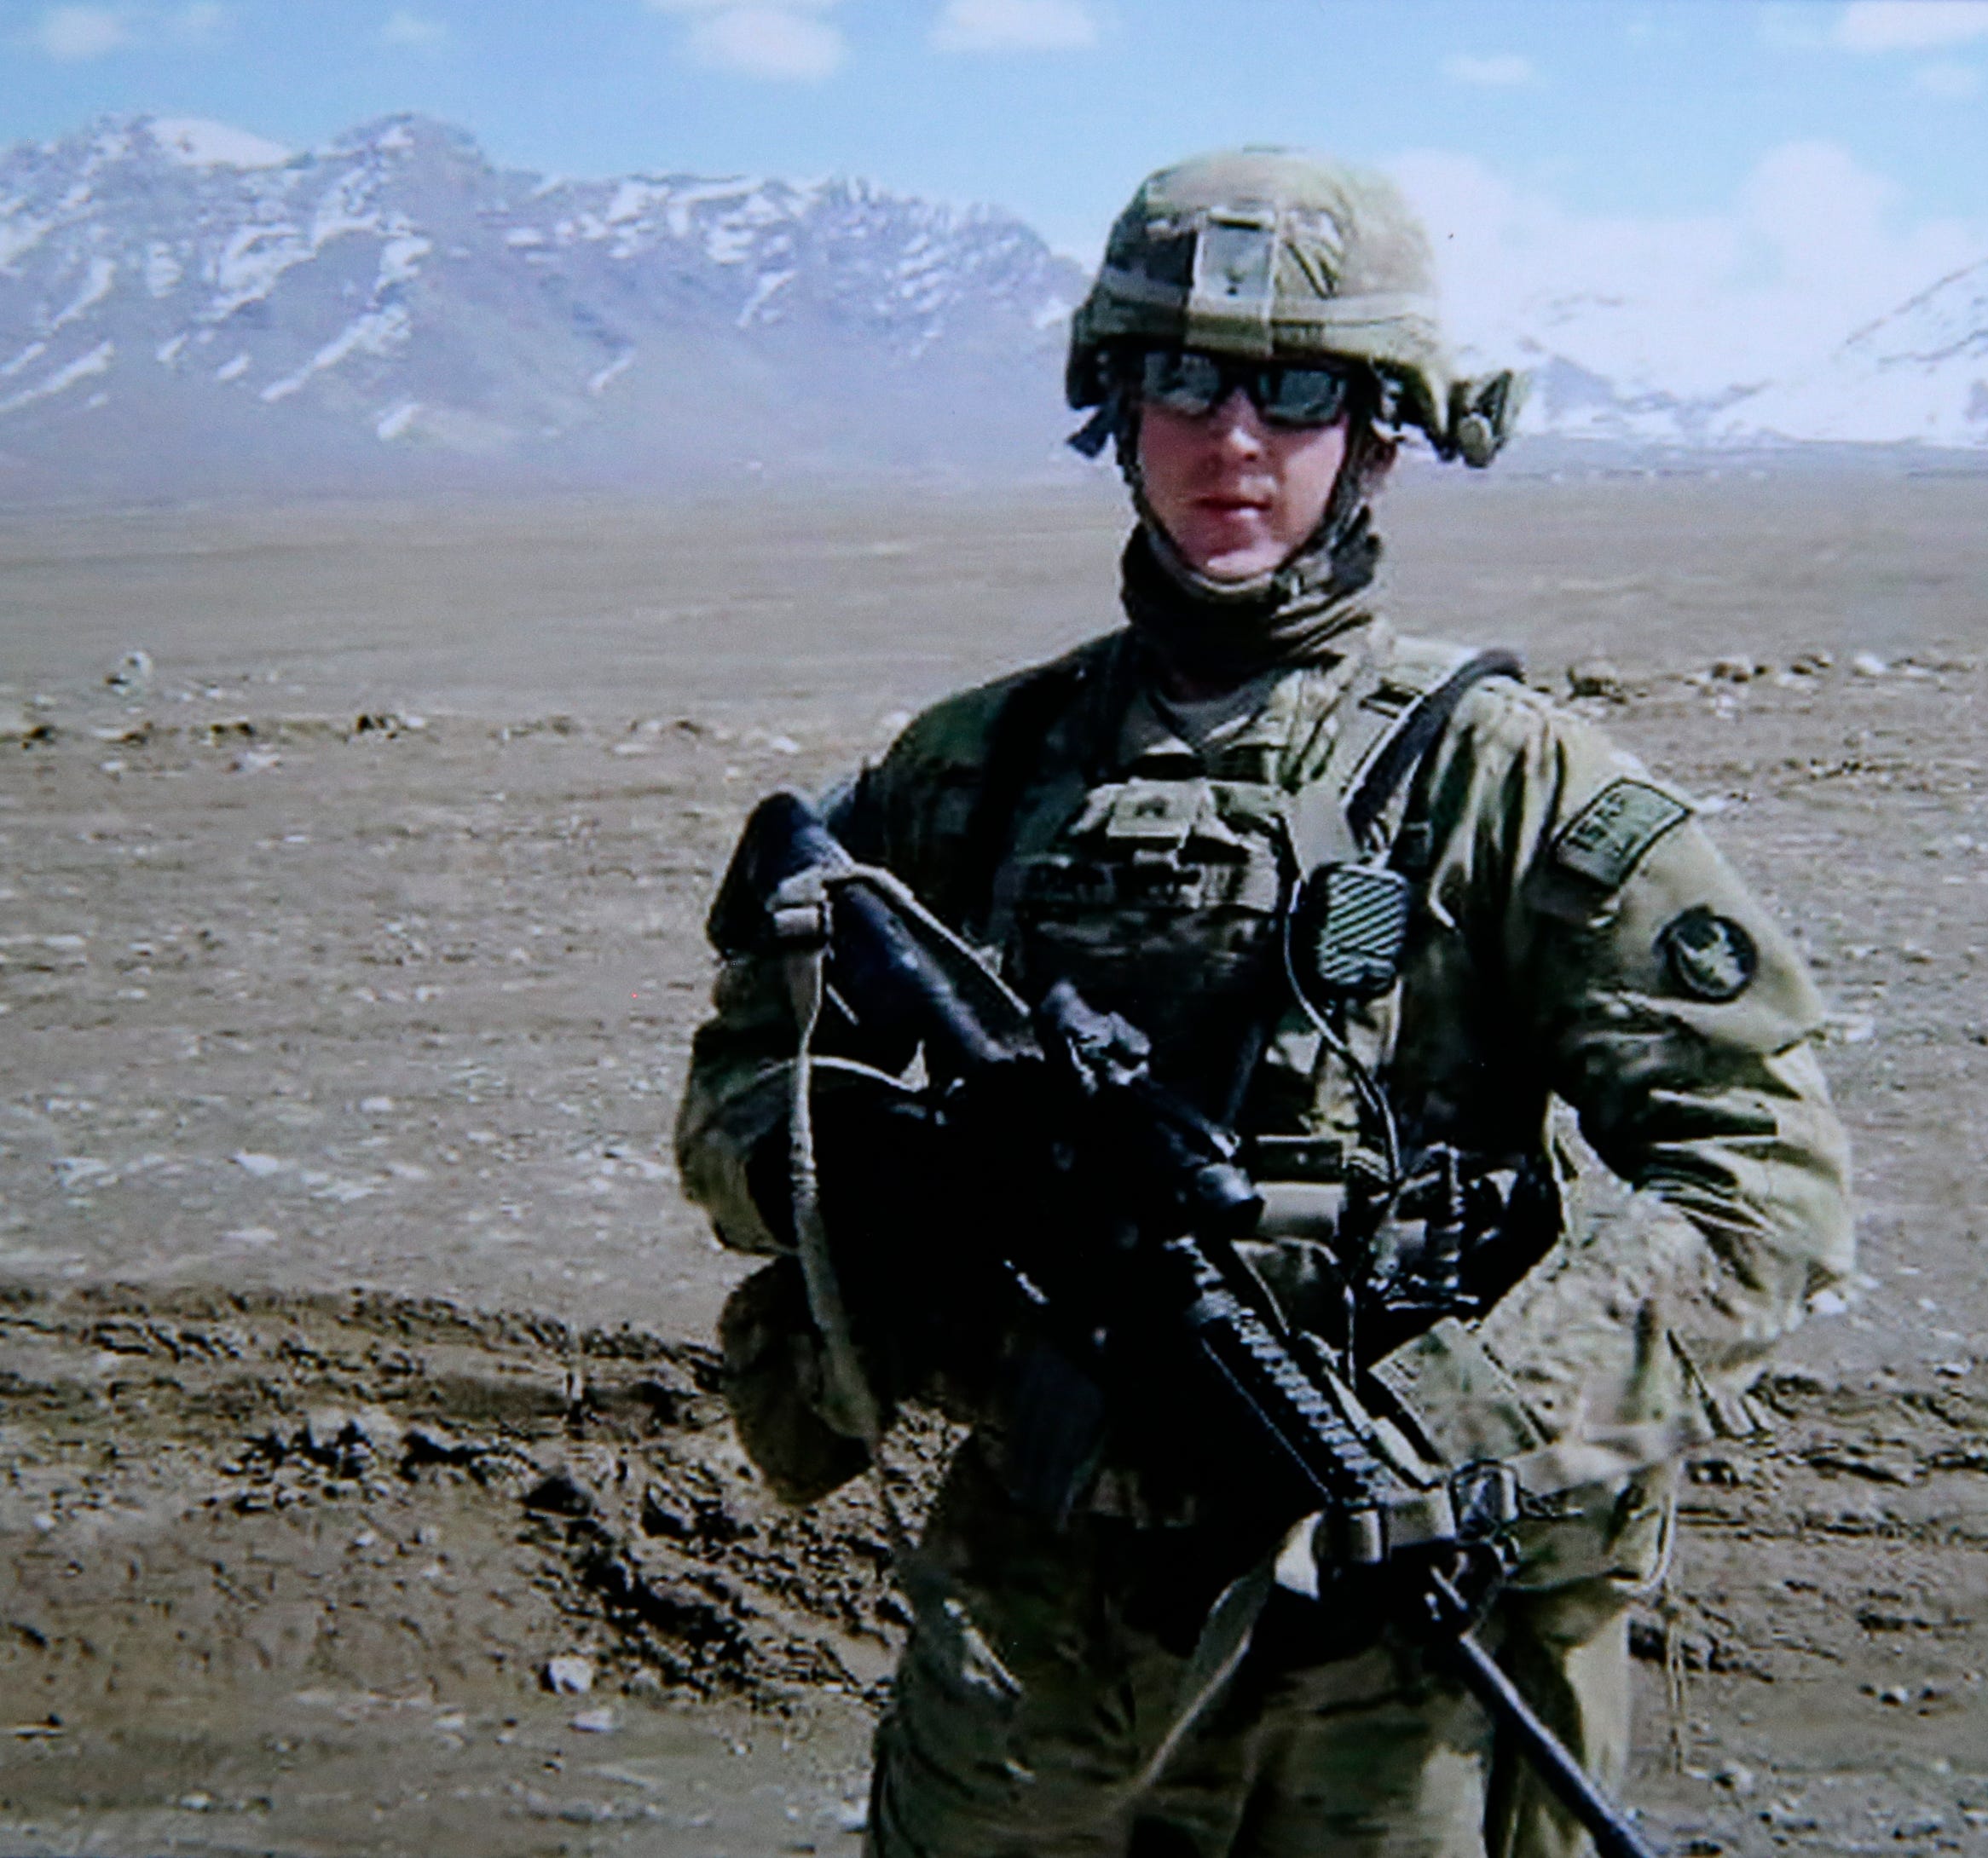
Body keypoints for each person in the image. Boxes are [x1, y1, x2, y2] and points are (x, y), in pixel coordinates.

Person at [674, 148, 1853, 1858]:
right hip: (1038, 1627)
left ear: (1381, 427)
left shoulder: (1504, 783)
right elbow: (737, 1106)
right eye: (1187, 383)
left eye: (1298, 391)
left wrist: (1452, 1419)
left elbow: (1761, 1167)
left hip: (1387, 1655)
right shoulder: (967, 773)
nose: (1237, 440)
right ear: (1118, 407)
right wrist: (907, 1170)